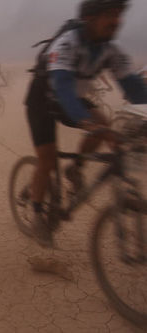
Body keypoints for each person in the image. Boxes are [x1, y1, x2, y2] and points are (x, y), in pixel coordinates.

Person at [25, 0, 147, 247]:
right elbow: (62, 87)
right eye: (109, 15)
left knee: (105, 124)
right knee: (47, 159)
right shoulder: (68, 43)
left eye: (119, 15)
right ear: (90, 18)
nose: (117, 21)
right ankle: (37, 214)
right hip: (43, 101)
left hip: (74, 98)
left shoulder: (112, 49)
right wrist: (85, 122)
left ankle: (76, 168)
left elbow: (134, 87)